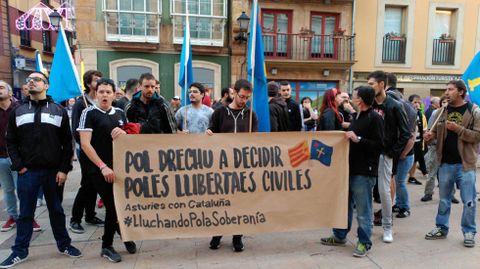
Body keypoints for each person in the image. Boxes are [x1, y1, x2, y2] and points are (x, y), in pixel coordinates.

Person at [0, 72, 82, 268]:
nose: (31, 82)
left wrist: (64, 169)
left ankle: (64, 245)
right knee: (26, 213)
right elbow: (10, 140)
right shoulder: (17, 111)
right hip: (27, 173)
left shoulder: (58, 110)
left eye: (36, 79)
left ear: (46, 86)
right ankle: (19, 251)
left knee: (56, 210)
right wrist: (19, 166)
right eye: (29, 80)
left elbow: (66, 143)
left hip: (54, 172)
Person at [321, 86, 384, 257]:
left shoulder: (375, 118)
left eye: (353, 96)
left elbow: (379, 145)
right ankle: (340, 235)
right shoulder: (357, 116)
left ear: (360, 100)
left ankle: (364, 242)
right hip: (349, 168)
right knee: (344, 205)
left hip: (364, 172)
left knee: (363, 210)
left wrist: (359, 139)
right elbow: (356, 130)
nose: (349, 98)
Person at [78, 78, 137, 262]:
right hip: (98, 170)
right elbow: (85, 144)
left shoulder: (119, 112)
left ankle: (122, 232)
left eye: (108, 92)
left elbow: (127, 136)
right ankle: (107, 246)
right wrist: (103, 167)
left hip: (119, 169)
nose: (104, 95)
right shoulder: (88, 113)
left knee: (119, 207)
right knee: (113, 207)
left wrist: (126, 132)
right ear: (96, 93)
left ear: (114, 94)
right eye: (101, 91)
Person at [424, 80, 479, 248]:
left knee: (469, 200)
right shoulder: (440, 112)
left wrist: (458, 129)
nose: (447, 92)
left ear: (461, 92)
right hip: (445, 163)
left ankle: (469, 231)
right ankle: (441, 227)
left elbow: (477, 136)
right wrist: (429, 137)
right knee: (444, 200)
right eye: (446, 89)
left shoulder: (474, 111)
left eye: (451, 89)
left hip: (465, 164)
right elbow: (433, 133)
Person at [207, 79, 258, 252]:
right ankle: (218, 233)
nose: (244, 100)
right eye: (242, 96)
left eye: (247, 98)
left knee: (241, 202)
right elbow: (211, 132)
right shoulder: (219, 112)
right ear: (233, 92)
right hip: (222, 166)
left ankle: (237, 237)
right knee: (221, 201)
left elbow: (255, 140)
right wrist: (209, 134)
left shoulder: (252, 115)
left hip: (242, 166)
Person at [368, 70, 410, 243]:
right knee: (366, 190)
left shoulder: (395, 105)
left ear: (381, 84)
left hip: (385, 155)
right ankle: (367, 226)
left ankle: (387, 227)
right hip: (369, 153)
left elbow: (406, 133)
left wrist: (392, 152)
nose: (369, 87)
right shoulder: (368, 104)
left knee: (384, 192)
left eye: (371, 84)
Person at [70, 70, 105, 234]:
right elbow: (76, 130)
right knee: (87, 184)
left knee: (95, 184)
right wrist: (86, 146)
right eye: (96, 80)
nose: (99, 82)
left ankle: (90, 215)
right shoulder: (80, 103)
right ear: (88, 83)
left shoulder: (99, 102)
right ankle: (75, 219)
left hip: (100, 150)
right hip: (87, 151)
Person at [407, 94, 428, 186]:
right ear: (409, 103)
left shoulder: (421, 115)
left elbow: (424, 129)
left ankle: (411, 177)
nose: (417, 104)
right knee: (408, 159)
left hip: (418, 141)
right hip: (408, 141)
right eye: (415, 102)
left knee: (415, 160)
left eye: (419, 102)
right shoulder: (406, 113)